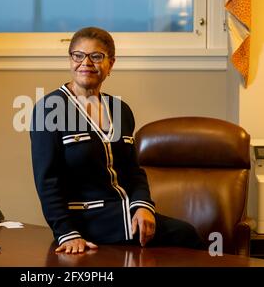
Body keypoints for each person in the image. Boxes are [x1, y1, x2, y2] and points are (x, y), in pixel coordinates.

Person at [30, 27, 204, 254]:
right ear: (70, 60)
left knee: (187, 235)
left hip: (128, 215)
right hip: (86, 221)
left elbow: (133, 171)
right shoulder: (49, 109)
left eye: (96, 56)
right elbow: (47, 181)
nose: (86, 63)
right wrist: (67, 233)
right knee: (185, 236)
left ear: (110, 64)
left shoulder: (120, 110)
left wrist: (143, 206)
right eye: (78, 55)